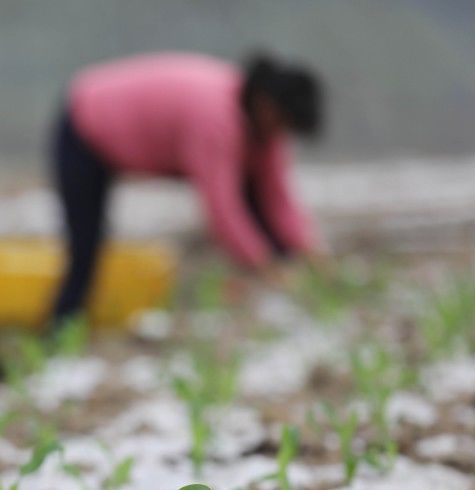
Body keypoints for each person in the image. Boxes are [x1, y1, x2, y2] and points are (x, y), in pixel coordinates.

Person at [50, 51, 324, 320]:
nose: (283, 133)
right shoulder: (216, 119)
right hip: (87, 122)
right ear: (267, 105)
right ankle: (62, 328)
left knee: (266, 220)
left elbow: (276, 197)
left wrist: (310, 250)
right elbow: (222, 209)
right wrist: (264, 264)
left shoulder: (265, 130)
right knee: (86, 245)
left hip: (130, 131)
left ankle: (290, 305)